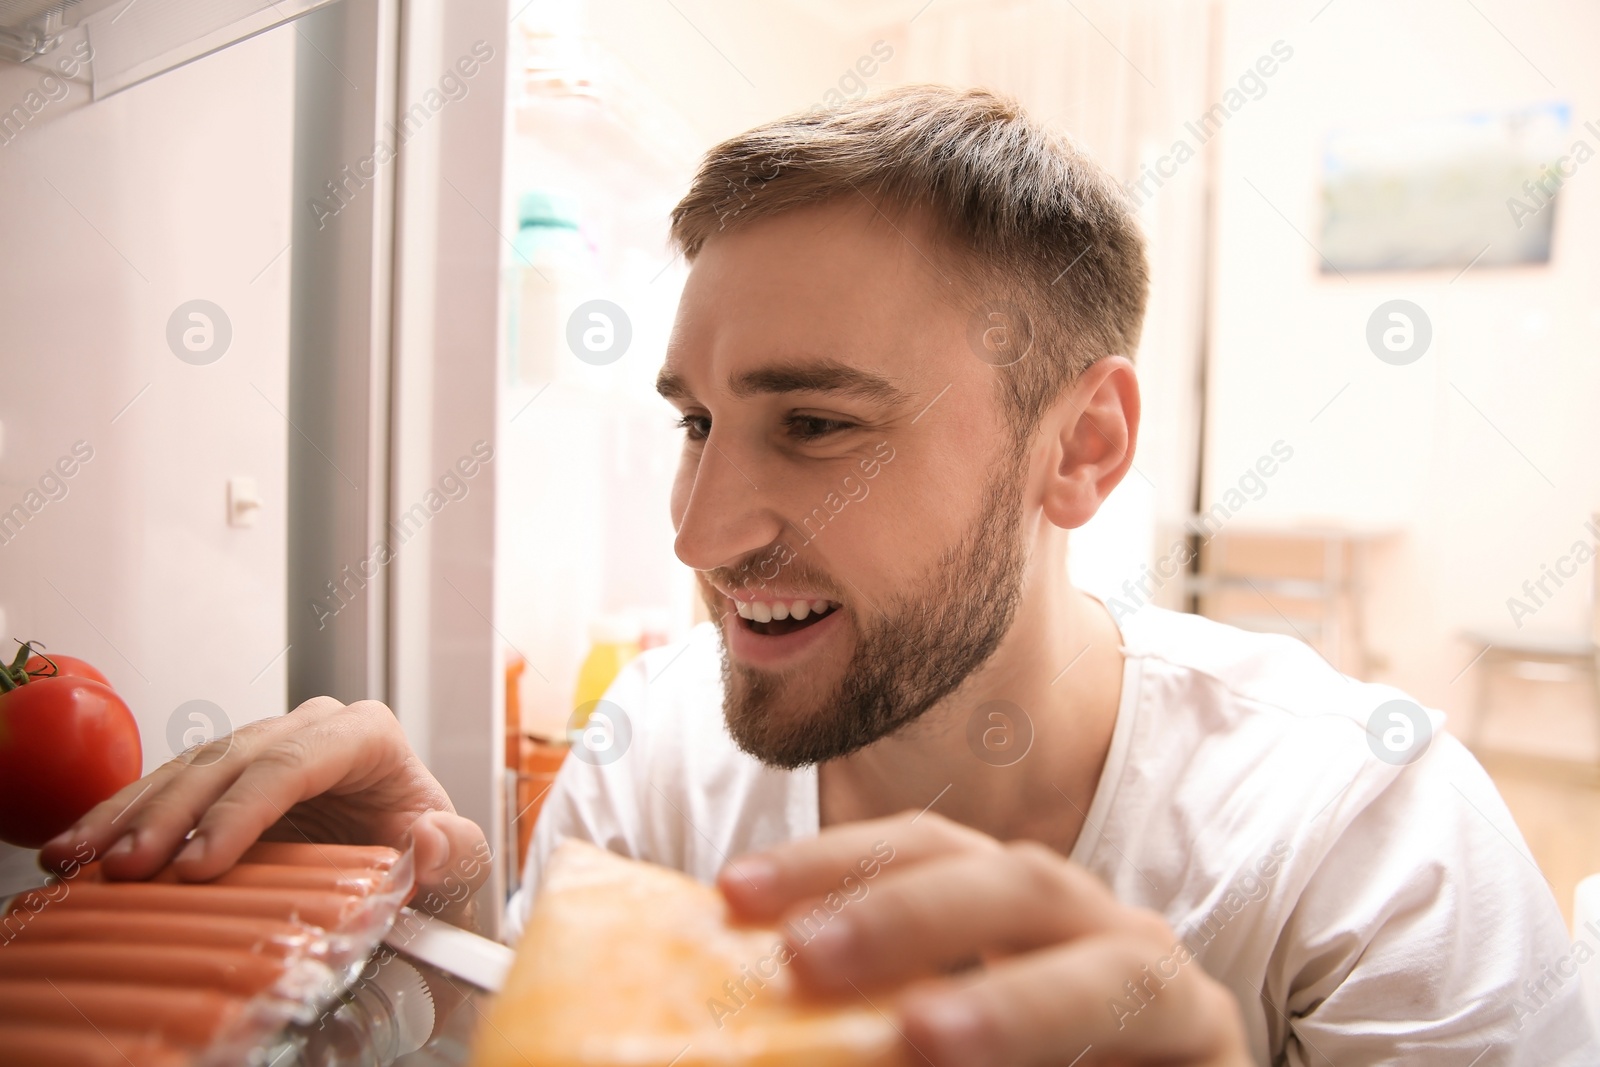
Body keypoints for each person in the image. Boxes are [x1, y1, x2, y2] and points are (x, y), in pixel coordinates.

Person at [43, 86, 1596, 1065]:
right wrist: (438, 961)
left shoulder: (1363, 842)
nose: (699, 531)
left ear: (1083, 448)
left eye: (816, 423)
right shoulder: (656, 765)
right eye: (698, 423)